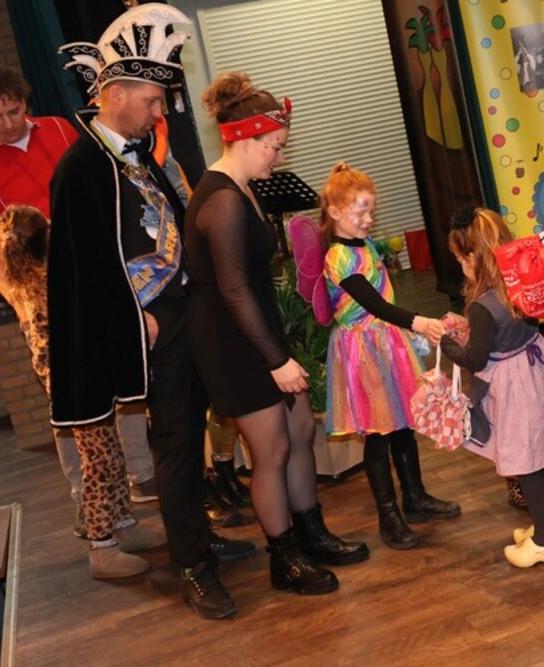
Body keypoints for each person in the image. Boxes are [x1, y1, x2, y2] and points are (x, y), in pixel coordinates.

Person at [51, 4, 254, 619]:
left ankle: (200, 539)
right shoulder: (81, 165)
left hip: (186, 310)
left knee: (192, 434)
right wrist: (134, 317)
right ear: (115, 95)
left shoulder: (135, 152)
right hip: (155, 325)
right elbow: (83, 264)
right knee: (174, 443)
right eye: (151, 100)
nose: (159, 111)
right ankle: (193, 566)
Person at [187, 72, 368, 597]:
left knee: (300, 430)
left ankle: (312, 532)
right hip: (233, 342)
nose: (279, 157)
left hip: (256, 330)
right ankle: (283, 559)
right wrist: (276, 360)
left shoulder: (243, 187)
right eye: (274, 146)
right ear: (244, 139)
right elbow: (233, 290)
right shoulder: (221, 199)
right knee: (270, 450)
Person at [0, 63, 157, 537]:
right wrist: (18, 296)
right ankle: (86, 498)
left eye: (14, 111)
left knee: (122, 374)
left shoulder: (58, 129)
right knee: (70, 397)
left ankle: (141, 474)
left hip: (92, 272)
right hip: (38, 289)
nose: (8, 123)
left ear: (26, 103)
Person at [0, 204, 164, 578]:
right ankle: (101, 547)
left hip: (85, 382)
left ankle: (124, 525)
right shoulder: (49, 286)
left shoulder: (35, 280)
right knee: (99, 466)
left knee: (111, 456)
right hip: (77, 389)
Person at [320, 161, 460, 550]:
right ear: (335, 212)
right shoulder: (337, 257)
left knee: (402, 425)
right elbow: (374, 304)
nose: (368, 219)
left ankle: (415, 496)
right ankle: (388, 514)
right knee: (379, 434)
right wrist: (420, 322)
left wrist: (407, 330)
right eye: (360, 211)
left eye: (371, 210)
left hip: (387, 343)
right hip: (362, 350)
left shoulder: (364, 245)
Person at [436, 206, 544, 567]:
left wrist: (445, 342)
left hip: (513, 386)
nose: (460, 266)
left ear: (473, 256)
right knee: (538, 455)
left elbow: (475, 359)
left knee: (526, 462)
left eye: (461, 259)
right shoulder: (521, 285)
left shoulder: (483, 305)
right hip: (534, 371)